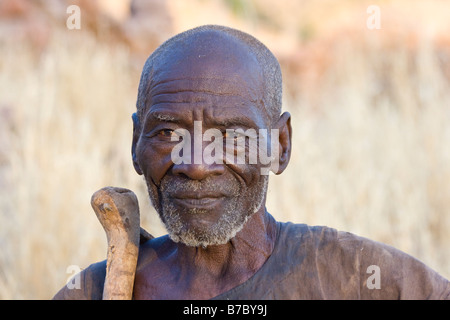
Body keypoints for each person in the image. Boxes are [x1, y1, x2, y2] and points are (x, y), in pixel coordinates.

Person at [53, 25, 449, 300]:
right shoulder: (94, 291)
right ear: (135, 143)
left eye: (232, 137)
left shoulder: (357, 276)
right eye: (169, 134)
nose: (196, 165)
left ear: (280, 145)